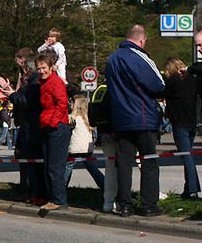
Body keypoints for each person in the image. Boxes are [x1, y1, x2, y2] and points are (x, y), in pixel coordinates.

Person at [104, 25, 165, 217]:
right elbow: (158, 85)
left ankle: (125, 204)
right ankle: (149, 205)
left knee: (123, 163)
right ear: (141, 40)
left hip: (121, 119)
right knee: (148, 162)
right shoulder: (140, 57)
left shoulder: (111, 59)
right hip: (143, 116)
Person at [0, 48, 47, 205]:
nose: (21, 72)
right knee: (25, 159)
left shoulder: (34, 82)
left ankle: (34, 192)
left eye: (22, 68)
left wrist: (11, 94)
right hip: (24, 123)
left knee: (32, 161)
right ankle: (28, 190)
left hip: (31, 126)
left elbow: (25, 101)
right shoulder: (29, 80)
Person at [35, 53, 71, 210]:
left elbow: (62, 103)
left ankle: (58, 200)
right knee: (49, 165)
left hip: (56, 127)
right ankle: (52, 198)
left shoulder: (55, 82)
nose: (42, 71)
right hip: (47, 125)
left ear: (51, 67)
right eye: (39, 68)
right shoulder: (43, 83)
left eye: (44, 68)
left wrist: (53, 122)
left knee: (55, 166)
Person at [163, 58, 201, 199]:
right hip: (192, 122)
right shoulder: (193, 80)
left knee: (186, 156)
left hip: (179, 124)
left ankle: (192, 189)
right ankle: (188, 188)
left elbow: (161, 93)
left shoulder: (172, 81)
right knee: (188, 155)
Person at [64, 95, 104, 188]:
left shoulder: (71, 118)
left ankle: (62, 187)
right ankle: (103, 184)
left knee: (68, 167)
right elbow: (95, 134)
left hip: (74, 149)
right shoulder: (89, 119)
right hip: (87, 148)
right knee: (92, 168)